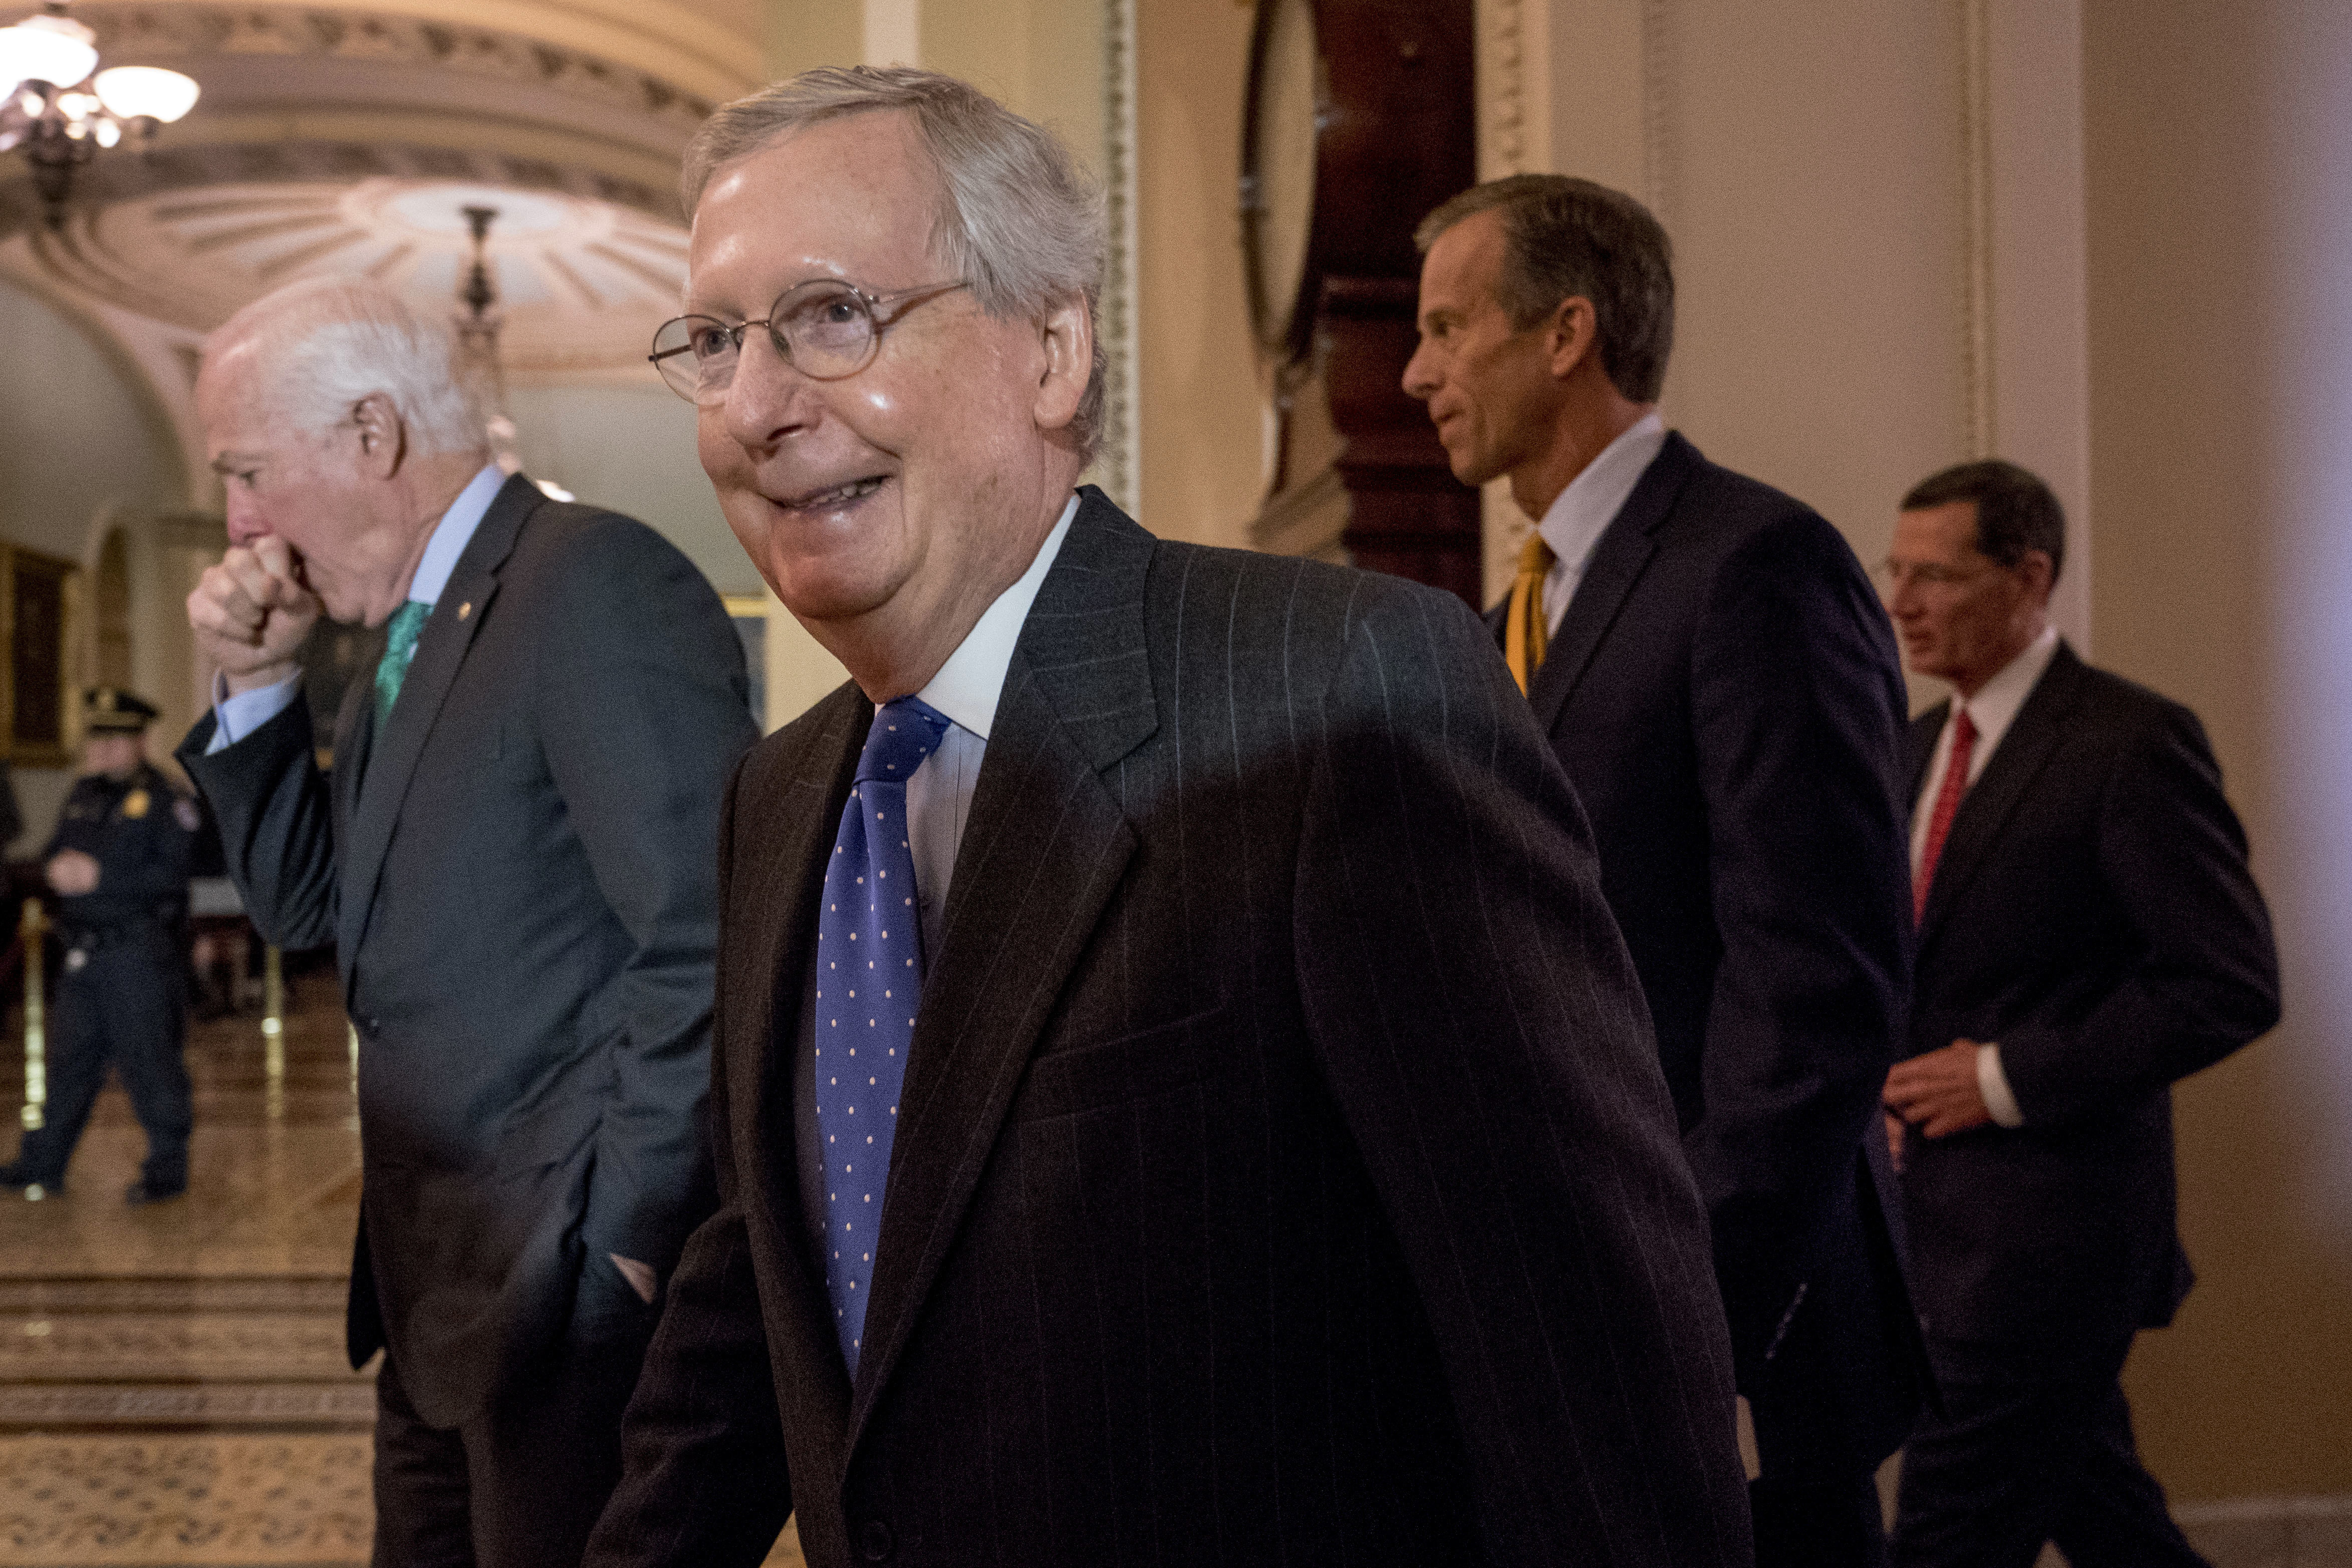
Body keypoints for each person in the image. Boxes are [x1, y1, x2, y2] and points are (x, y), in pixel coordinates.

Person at [586, 67, 1750, 1568]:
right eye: (716, 341)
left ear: (1052, 348)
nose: (753, 408)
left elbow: (1593, 1374)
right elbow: (769, 1280)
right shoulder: (784, 794)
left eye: (831, 318)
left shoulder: (1341, 696)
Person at [178, 276, 758, 1568]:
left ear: (371, 436)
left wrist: (625, 1258)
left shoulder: (589, 580)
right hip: (431, 1298)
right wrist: (259, 684)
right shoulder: (396, 638)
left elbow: (711, 936)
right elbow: (309, 909)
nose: (239, 522)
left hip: (562, 1302)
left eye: (250, 470)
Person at [1403, 174, 1924, 1565]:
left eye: (1448, 328)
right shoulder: (1503, 604)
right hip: (1565, 1291)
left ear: (1564, 332)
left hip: (1729, 1309)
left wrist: (1689, 1297)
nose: (1416, 372)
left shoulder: (1754, 563)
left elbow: (1814, 985)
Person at [1879, 459, 2278, 1568]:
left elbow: (2228, 980)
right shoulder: (1910, 748)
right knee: (2110, 1520)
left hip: (2051, 1243)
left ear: (2029, 576)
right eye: (1893, 570)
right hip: (1938, 1235)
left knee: (1941, 1539)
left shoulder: (2128, 741)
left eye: (1935, 576)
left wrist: (2000, 1077)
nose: (1900, 602)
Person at [0, 689, 199, 1203]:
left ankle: (166, 1167)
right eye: (98, 738)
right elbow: (52, 851)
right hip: (82, 952)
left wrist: (102, 877)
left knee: (150, 1063)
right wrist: (52, 870)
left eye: (115, 739)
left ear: (140, 740)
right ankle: (41, 1163)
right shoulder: (83, 794)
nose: (103, 749)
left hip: (136, 952)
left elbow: (173, 873)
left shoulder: (164, 799)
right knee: (68, 1064)